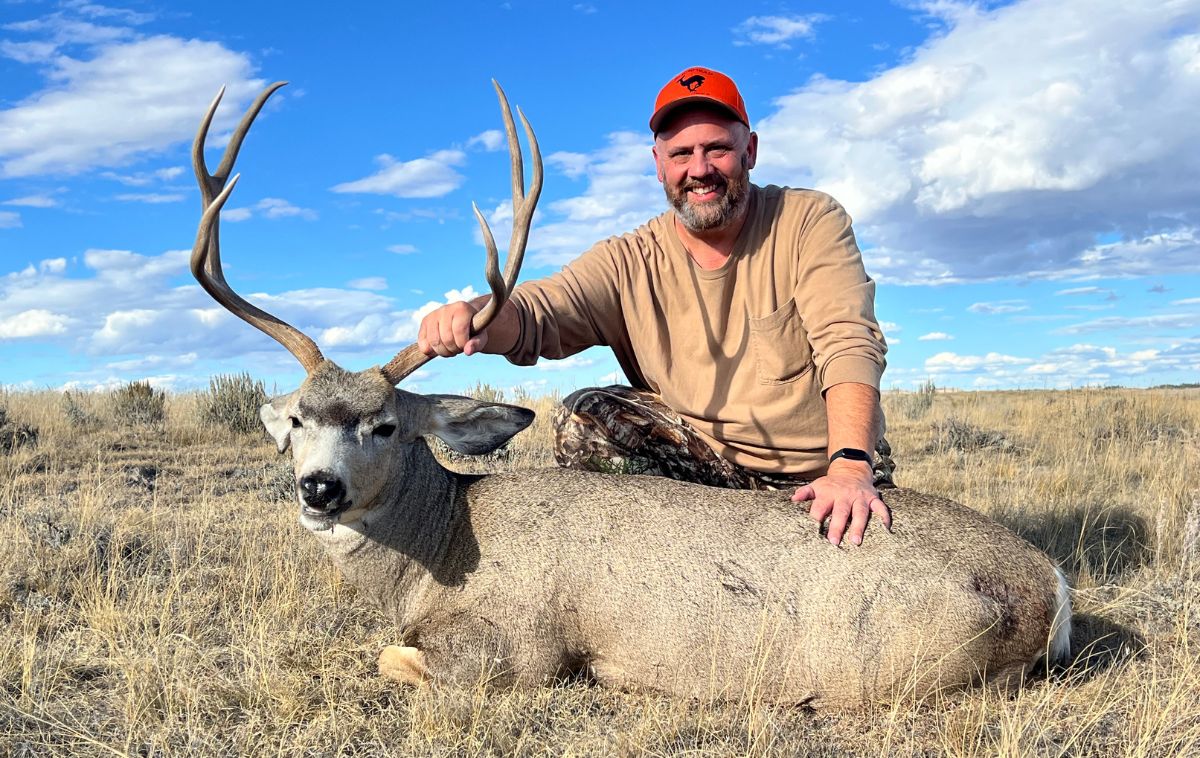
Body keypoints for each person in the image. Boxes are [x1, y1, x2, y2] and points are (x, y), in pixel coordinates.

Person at [417, 66, 894, 547]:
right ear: (658, 163)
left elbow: (848, 340)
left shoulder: (808, 221)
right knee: (587, 419)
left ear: (749, 151)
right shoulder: (630, 260)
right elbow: (540, 311)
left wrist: (851, 465)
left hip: (820, 472)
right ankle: (667, 583)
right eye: (681, 154)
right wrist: (474, 315)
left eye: (718, 149)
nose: (700, 169)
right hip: (704, 475)